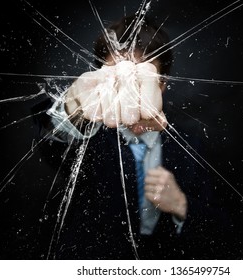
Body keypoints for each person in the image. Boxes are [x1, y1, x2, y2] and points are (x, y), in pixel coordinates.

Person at [35, 15, 227, 259]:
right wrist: (71, 112)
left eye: (138, 82)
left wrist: (181, 204)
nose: (128, 93)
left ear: (162, 85)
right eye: (117, 81)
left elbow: (222, 228)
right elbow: (53, 140)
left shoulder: (190, 143)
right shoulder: (88, 139)